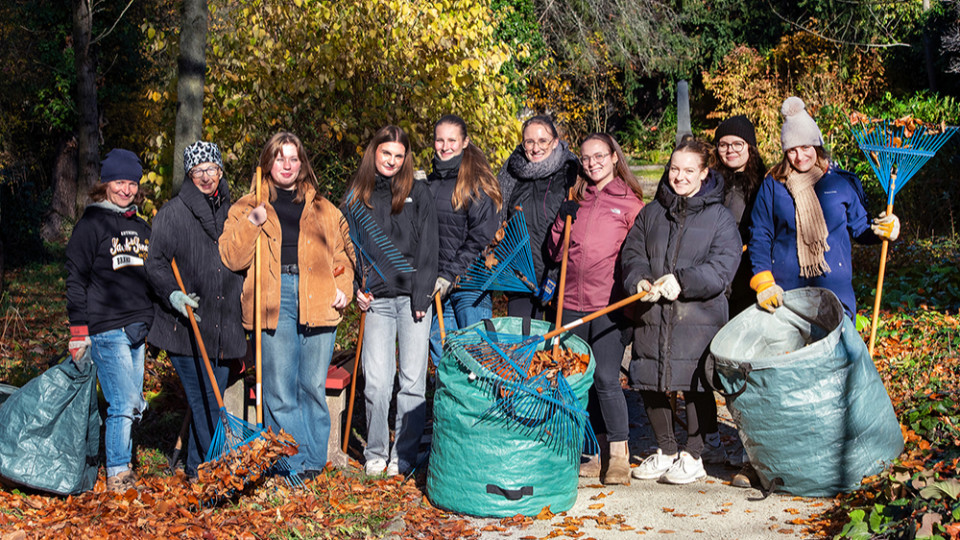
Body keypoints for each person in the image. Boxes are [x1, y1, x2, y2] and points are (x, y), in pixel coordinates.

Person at [220, 132, 355, 478]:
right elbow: (231, 257)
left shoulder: (324, 208)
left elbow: (343, 255)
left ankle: (314, 462)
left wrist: (343, 286)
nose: (287, 165)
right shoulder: (247, 206)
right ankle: (292, 465)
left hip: (319, 298)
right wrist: (253, 224)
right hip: (272, 299)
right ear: (267, 162)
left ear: (302, 164)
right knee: (280, 388)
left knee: (311, 385)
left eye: (293, 159)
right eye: (280, 158)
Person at [621, 138, 742, 485]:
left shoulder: (720, 217)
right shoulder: (651, 212)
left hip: (698, 315)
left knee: (694, 384)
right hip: (654, 314)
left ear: (704, 173)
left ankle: (694, 454)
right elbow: (632, 254)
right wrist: (639, 281)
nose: (679, 176)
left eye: (689, 170)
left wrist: (683, 281)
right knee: (650, 379)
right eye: (675, 169)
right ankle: (665, 450)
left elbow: (722, 268)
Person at [545, 133, 644, 485]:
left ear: (614, 157)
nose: (592, 163)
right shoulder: (577, 199)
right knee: (576, 381)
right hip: (570, 303)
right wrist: (561, 219)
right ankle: (597, 452)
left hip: (609, 304)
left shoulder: (630, 204)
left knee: (604, 376)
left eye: (599, 156)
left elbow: (638, 256)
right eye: (586, 158)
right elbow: (555, 253)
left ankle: (619, 455)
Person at [748, 96, 900, 321]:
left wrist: (886, 229)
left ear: (817, 145)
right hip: (786, 295)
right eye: (792, 150)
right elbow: (760, 234)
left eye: (806, 147)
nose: (800, 157)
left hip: (835, 293)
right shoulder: (773, 184)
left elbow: (861, 229)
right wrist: (763, 282)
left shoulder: (841, 182)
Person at [145, 141, 245, 480]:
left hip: (223, 325)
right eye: (198, 171)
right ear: (190, 174)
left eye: (212, 169)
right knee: (204, 401)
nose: (206, 177)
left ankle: (195, 469)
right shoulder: (172, 213)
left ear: (220, 171)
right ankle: (219, 471)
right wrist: (173, 295)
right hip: (183, 328)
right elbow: (155, 263)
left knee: (207, 397)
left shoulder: (236, 212)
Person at [343, 125, 438, 477]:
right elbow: (346, 248)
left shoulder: (419, 192)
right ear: (374, 152)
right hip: (376, 300)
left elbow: (430, 246)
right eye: (387, 154)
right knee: (378, 382)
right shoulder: (356, 196)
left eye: (399, 156)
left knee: (412, 381)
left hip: (413, 300)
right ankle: (376, 451)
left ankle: (404, 455)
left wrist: (422, 292)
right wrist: (356, 286)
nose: (392, 161)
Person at [66, 149, 153, 492]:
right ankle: (118, 473)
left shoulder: (141, 226)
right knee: (123, 402)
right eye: (119, 182)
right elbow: (75, 277)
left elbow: (151, 276)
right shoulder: (91, 224)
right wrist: (78, 331)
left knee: (135, 405)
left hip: (137, 328)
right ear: (105, 184)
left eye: (132, 183)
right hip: (105, 327)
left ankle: (123, 464)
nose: (126, 189)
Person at [698, 116, 768, 471]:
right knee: (703, 364)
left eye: (737, 144)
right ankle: (708, 440)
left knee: (742, 367)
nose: (730, 150)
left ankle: (749, 445)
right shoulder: (709, 182)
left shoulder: (766, 183)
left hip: (747, 284)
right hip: (713, 282)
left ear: (750, 147)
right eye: (724, 144)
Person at [425, 115, 502, 365]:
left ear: (465, 142)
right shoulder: (430, 182)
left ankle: (481, 405)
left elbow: (481, 237)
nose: (445, 146)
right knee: (444, 361)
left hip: (470, 286)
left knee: (477, 359)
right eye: (439, 140)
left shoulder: (476, 183)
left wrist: (451, 273)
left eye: (452, 140)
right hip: (438, 288)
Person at [496, 115, 579, 319]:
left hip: (560, 279)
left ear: (555, 142)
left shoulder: (571, 171)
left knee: (554, 348)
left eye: (543, 141)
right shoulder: (510, 172)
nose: (535, 148)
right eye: (529, 142)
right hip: (520, 278)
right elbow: (498, 220)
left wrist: (553, 277)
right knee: (521, 346)